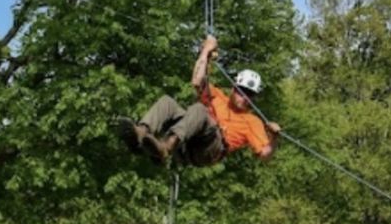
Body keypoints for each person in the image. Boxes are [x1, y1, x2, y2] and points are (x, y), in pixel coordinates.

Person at [116, 34, 281, 167]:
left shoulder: (252, 121)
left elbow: (265, 155)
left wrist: (274, 139)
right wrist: (206, 51)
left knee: (200, 110)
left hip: (209, 150)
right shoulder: (217, 96)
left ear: (254, 97)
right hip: (188, 140)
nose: (244, 97)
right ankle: (140, 133)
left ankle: (166, 147)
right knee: (168, 102)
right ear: (233, 88)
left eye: (249, 94)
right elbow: (197, 80)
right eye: (241, 91)